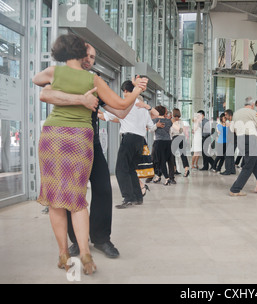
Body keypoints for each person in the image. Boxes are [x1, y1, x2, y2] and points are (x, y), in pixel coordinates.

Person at [32, 34, 145, 274]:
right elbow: (123, 106)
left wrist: (58, 89)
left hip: (63, 137)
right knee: (76, 199)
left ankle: (83, 245)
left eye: (93, 58)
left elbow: (38, 82)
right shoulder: (91, 80)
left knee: (70, 196)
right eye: (89, 56)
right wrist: (135, 92)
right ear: (82, 55)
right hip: (81, 139)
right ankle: (81, 249)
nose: (90, 60)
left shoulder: (61, 74)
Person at [101, 80, 156, 209]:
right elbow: (151, 126)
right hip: (140, 141)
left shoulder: (124, 104)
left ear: (125, 91)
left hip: (129, 139)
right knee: (131, 169)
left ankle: (128, 198)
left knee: (121, 169)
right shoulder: (142, 106)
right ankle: (137, 197)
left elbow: (106, 116)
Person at [152, 106, 173, 186]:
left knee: (161, 161)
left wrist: (156, 126)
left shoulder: (155, 121)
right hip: (168, 142)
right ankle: (158, 176)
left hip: (159, 142)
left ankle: (167, 178)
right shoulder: (169, 121)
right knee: (164, 160)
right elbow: (170, 129)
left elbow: (151, 129)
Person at [171, 108, 190, 177]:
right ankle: (186, 169)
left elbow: (171, 132)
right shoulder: (181, 122)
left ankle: (174, 169)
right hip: (182, 137)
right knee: (183, 154)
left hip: (175, 137)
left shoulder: (172, 121)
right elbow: (181, 131)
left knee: (172, 154)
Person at [221, 109, 237, 175]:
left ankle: (228, 170)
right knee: (230, 155)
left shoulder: (233, 122)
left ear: (230, 115)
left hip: (233, 141)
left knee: (227, 155)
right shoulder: (230, 122)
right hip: (231, 141)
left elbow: (234, 131)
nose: (225, 116)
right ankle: (232, 170)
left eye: (226, 115)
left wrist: (229, 126)